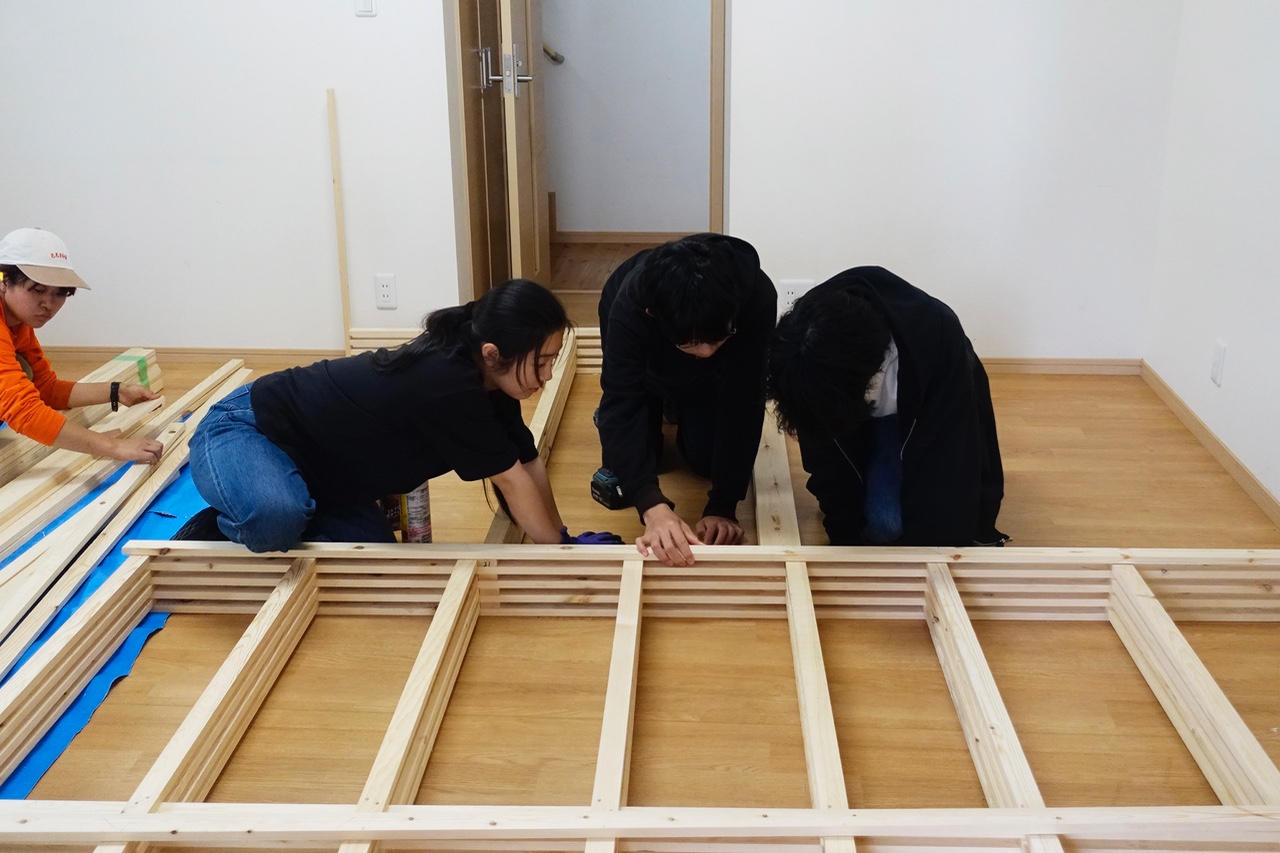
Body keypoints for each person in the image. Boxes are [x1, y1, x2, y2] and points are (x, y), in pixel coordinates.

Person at [180, 279, 616, 552]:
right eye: (540, 362)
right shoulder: (446, 381)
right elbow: (510, 480)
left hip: (327, 473)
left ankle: (290, 499)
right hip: (250, 427)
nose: (546, 376)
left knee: (372, 559)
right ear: (492, 353)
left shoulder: (488, 378)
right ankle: (222, 523)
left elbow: (527, 462)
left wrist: (562, 537)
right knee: (275, 523)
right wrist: (560, 552)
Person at [768, 266, 1007, 547]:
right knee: (881, 525)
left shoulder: (936, 339)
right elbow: (824, 453)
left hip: (918, 411)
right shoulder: (806, 357)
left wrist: (939, 553)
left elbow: (952, 461)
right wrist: (844, 536)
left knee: (890, 522)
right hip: (853, 401)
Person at [595, 233, 776, 566]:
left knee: (705, 463)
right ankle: (663, 399)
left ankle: (679, 401)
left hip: (709, 379)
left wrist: (723, 505)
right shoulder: (630, 307)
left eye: (717, 339)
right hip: (647, 368)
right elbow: (622, 402)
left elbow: (745, 400)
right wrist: (651, 506)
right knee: (642, 460)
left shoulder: (756, 297)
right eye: (691, 344)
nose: (706, 352)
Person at [0, 227, 163, 464]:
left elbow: (45, 388)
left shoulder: (18, 322)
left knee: (25, 372)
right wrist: (113, 446)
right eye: (38, 290)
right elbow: (22, 409)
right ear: (4, 281)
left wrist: (116, 391)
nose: (49, 304)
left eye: (60, 293)